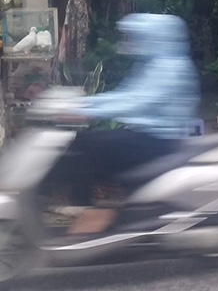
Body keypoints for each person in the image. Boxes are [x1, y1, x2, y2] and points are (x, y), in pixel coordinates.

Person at [55, 13, 200, 233]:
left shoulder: (170, 69)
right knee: (90, 143)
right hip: (146, 137)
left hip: (157, 141)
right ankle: (102, 209)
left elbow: (136, 102)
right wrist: (84, 105)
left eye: (135, 37)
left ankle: (83, 206)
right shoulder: (155, 65)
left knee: (85, 144)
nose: (130, 42)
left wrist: (87, 110)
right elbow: (124, 96)